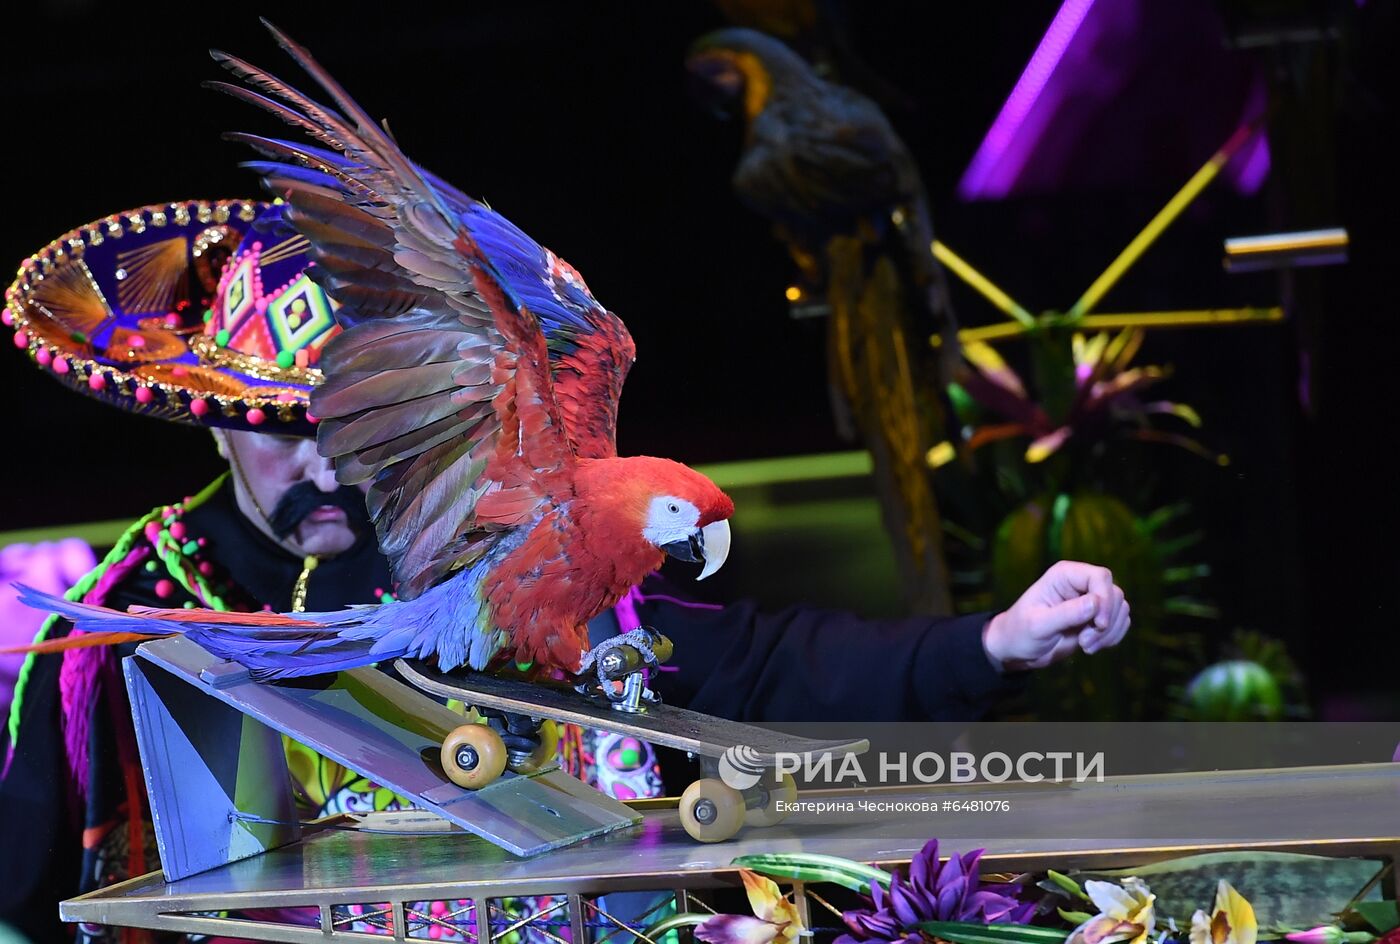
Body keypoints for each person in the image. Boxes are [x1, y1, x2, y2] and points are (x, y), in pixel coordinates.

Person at [0, 199, 1129, 942]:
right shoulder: (135, 607)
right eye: (278, 428)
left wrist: (992, 639)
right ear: (209, 423)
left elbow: (762, 662)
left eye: (347, 431)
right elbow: (26, 874)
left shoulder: (502, 541)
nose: (324, 462)